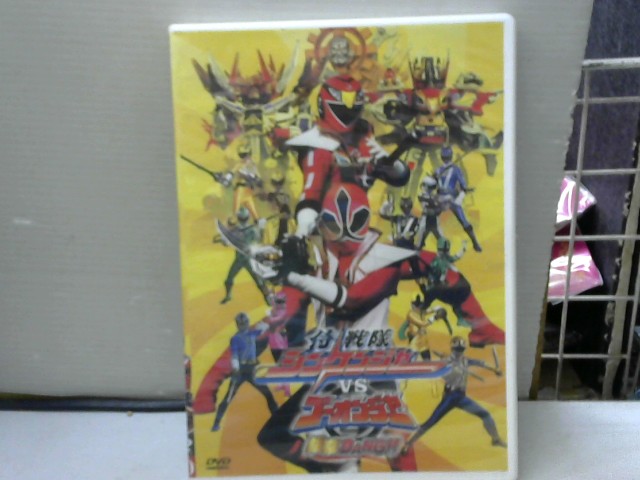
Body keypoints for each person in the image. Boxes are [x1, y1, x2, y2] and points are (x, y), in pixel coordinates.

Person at [286, 74, 410, 239]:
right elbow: (311, 193)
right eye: (343, 109)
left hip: (363, 222)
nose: (348, 112)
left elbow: (399, 177)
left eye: (353, 106)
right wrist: (302, 230)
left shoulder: (364, 133)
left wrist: (389, 163)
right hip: (330, 226)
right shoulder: (318, 146)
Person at [401, 336, 506, 452]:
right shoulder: (445, 362)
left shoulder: (465, 360)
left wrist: (494, 369)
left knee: (485, 414)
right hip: (450, 397)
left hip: (461, 397)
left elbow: (481, 363)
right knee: (431, 421)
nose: (459, 352)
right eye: (457, 350)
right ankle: (408, 443)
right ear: (452, 349)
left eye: (461, 350)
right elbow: (432, 366)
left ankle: (496, 439)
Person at [211, 313, 279, 431]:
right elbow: (234, 355)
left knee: (268, 394)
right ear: (237, 325)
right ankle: (216, 424)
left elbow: (263, 327)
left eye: (245, 322)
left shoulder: (252, 333)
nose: (243, 325)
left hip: (253, 369)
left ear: (248, 322)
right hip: (240, 371)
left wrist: (270, 316)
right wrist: (236, 368)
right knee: (228, 398)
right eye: (241, 323)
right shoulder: (235, 338)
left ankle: (279, 421)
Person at [218, 206, 270, 304]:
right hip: (240, 259)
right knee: (230, 279)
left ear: (238, 218)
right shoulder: (240, 230)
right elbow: (260, 240)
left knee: (259, 281)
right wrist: (261, 228)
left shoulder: (241, 230)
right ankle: (228, 296)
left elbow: (259, 241)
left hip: (248, 259)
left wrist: (261, 228)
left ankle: (268, 297)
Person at [435, 146, 482, 252]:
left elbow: (463, 186)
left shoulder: (443, 170)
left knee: (464, 222)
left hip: (447, 199)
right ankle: (475, 243)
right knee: (430, 219)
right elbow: (463, 186)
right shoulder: (446, 170)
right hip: (446, 199)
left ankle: (475, 242)